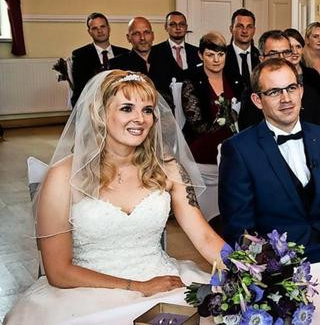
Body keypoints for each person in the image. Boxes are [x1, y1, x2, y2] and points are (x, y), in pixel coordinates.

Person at [4, 70, 225, 323]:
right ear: (101, 114)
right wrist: (137, 286)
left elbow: (205, 237)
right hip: (85, 293)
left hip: (164, 282)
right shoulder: (63, 176)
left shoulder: (167, 168)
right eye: (127, 108)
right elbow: (58, 272)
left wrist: (248, 268)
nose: (139, 119)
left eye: (147, 110)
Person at [219, 58, 320, 263]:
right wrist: (272, 274)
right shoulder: (239, 150)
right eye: (274, 92)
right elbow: (240, 231)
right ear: (257, 100)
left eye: (291, 88)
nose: (286, 98)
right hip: (282, 265)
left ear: (301, 90)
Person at [238, 30, 320, 130]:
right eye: (273, 54)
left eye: (286, 52)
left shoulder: (310, 93)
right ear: (262, 59)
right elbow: (248, 137)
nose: (281, 59)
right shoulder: (252, 95)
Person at [182, 32, 244, 165]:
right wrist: (225, 118)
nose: (216, 60)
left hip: (234, 149)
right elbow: (196, 125)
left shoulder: (235, 79)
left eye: (221, 55)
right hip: (202, 150)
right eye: (210, 55)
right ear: (200, 55)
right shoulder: (192, 82)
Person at [109, 17, 172, 106]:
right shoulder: (116, 64)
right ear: (128, 37)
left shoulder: (168, 60)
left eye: (146, 32)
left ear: (153, 35)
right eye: (136, 34)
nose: (142, 38)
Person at [70, 12, 128, 106]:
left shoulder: (124, 53)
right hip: (93, 104)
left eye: (102, 27)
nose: (100, 31)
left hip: (121, 103)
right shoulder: (80, 55)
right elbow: (80, 89)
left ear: (109, 29)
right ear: (89, 32)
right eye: (95, 28)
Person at [151, 11, 201, 83]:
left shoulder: (197, 52)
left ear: (186, 27)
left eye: (182, 24)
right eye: (173, 24)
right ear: (166, 27)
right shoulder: (154, 52)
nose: (178, 28)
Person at [224, 8, 260, 91]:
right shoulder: (222, 55)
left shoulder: (260, 56)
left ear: (254, 30)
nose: (245, 31)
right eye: (240, 26)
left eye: (249, 27)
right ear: (231, 29)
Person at [283, 27, 320, 94]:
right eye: (290, 47)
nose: (295, 51)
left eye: (298, 47)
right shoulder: (277, 76)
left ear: (302, 49)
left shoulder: (313, 75)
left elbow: (319, 103)